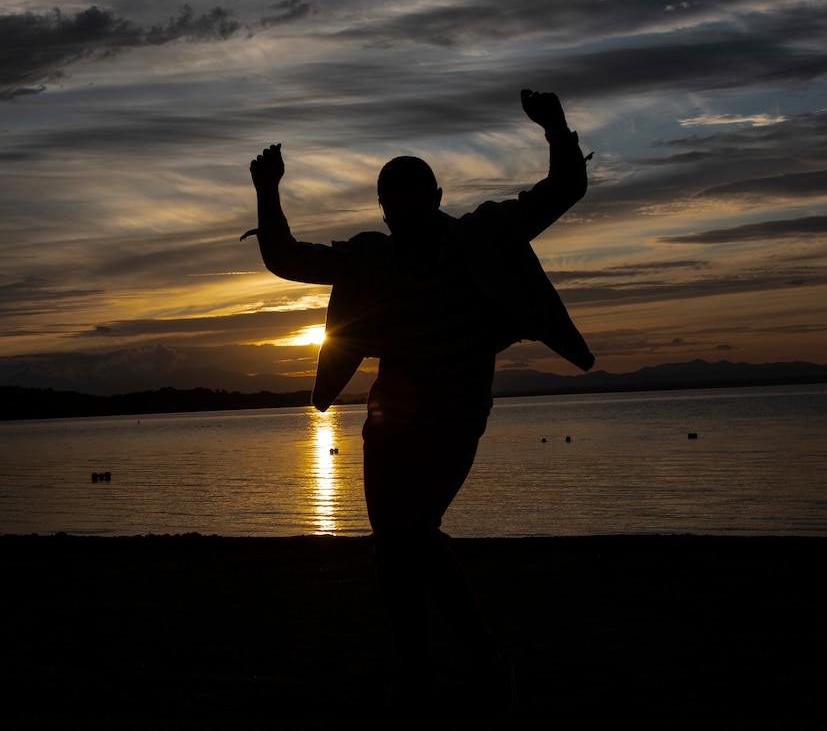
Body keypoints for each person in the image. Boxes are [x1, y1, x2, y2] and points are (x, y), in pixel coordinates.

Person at [241, 90, 593, 710]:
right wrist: (268, 189)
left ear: (436, 200)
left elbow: (563, 187)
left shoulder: (483, 236)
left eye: (416, 211)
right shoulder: (372, 259)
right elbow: (287, 260)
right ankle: (419, 673)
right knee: (391, 546)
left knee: (411, 532)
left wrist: (555, 126)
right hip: (390, 420)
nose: (408, 226)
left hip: (455, 416)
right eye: (396, 216)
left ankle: (487, 663)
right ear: (384, 213)